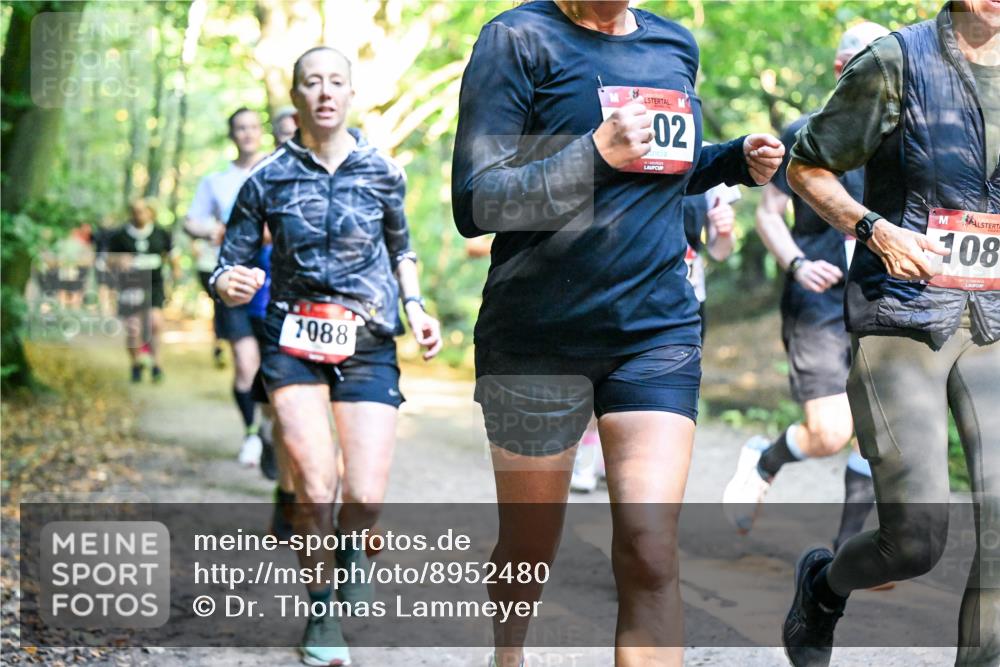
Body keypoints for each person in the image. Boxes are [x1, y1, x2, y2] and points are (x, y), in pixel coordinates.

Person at [451, 2, 784, 665]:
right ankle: (508, 651)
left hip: (654, 329)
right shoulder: (518, 39)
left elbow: (664, 168)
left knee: (651, 548)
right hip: (537, 336)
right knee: (529, 546)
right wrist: (594, 153)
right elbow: (476, 201)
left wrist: (730, 161)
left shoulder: (672, 44)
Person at [778, 2, 999, 666]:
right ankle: (822, 587)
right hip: (902, 313)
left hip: (992, 319)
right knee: (915, 539)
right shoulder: (896, 61)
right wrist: (872, 227)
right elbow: (806, 165)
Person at [212, 46, 442, 666]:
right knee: (316, 486)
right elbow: (230, 258)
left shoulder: (383, 171)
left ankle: (356, 548)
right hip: (292, 341)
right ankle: (320, 610)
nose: (324, 92)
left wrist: (416, 306)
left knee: (364, 496)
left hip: (367, 343)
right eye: (311, 83)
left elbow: (402, 249)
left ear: (350, 93)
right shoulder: (266, 178)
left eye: (335, 81)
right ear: (295, 97)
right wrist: (227, 281)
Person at [722, 23, 889, 551]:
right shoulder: (802, 133)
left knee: (875, 428)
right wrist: (796, 264)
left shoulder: (901, 140)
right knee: (830, 432)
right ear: (842, 69)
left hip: (880, 298)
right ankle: (765, 459)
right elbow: (770, 214)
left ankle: (846, 553)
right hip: (817, 299)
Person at [570, 192, 735, 494]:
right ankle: (588, 451)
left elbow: (721, 251)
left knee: (659, 381)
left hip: (686, 299)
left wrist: (724, 230)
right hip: (627, 289)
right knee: (604, 375)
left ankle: (620, 458)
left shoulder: (710, 165)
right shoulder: (628, 149)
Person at [186, 107, 267, 467]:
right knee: (245, 364)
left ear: (260, 131)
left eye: (252, 127)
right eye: (239, 128)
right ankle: (252, 433)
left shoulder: (278, 170)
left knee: (277, 366)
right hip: (232, 280)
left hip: (278, 283)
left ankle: (274, 431)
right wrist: (211, 231)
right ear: (231, 134)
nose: (247, 133)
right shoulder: (215, 182)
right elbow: (192, 222)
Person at [106, 199, 179, 383]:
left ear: (150, 213)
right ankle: (136, 363)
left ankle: (157, 365)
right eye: (135, 211)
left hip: (154, 284)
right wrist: (119, 261)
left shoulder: (161, 233)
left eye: (142, 211)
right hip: (129, 285)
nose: (138, 215)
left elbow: (172, 256)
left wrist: (175, 275)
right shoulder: (120, 235)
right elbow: (107, 261)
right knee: (133, 327)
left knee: (155, 322)